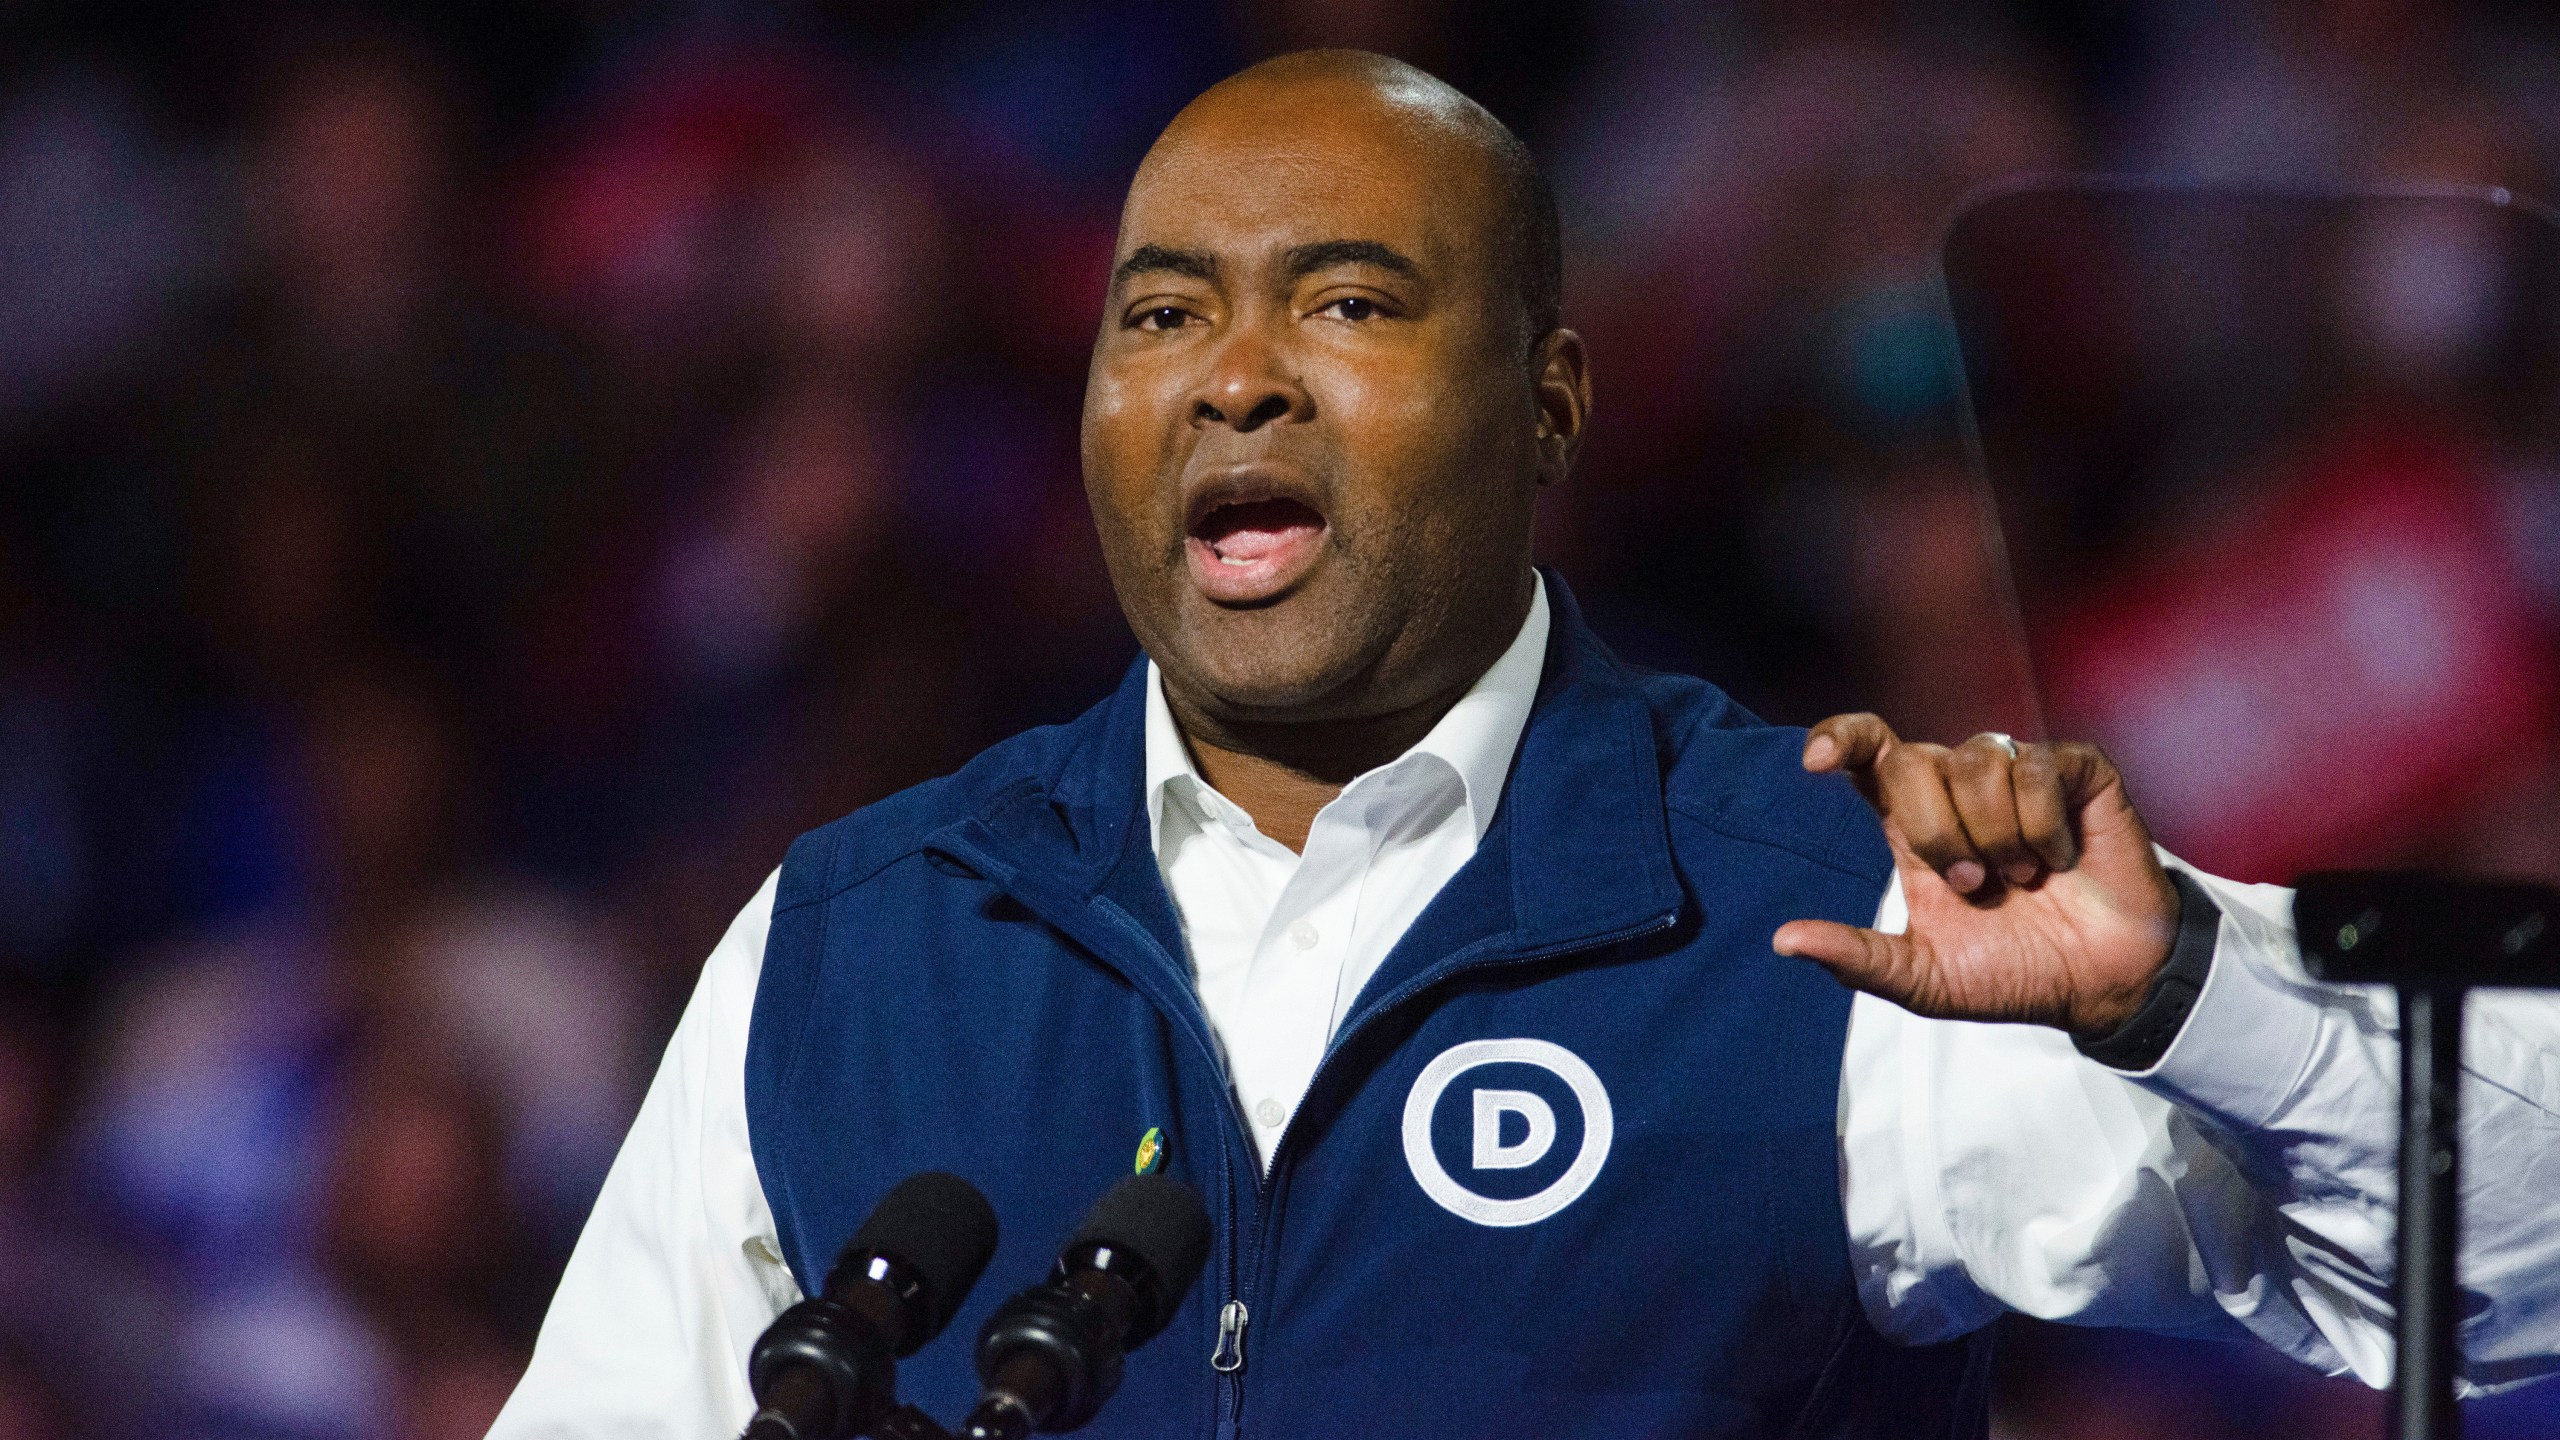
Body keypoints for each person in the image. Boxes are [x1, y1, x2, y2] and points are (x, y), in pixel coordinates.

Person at [490, 51, 2560, 1438]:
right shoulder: (852, 940)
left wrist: (2189, 998)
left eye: (1347, 304)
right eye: (1156, 314)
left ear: (1549, 405)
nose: (1229, 381)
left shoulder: (1829, 909)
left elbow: (2505, 1289)